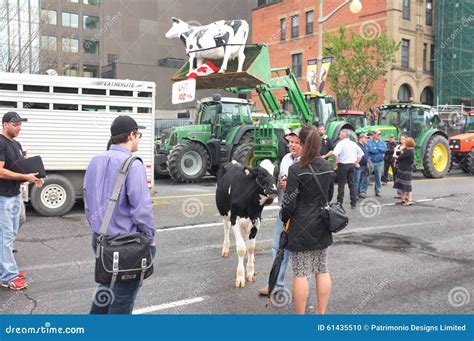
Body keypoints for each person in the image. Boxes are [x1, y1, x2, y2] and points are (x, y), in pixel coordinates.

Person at [84, 115, 156, 314]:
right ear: (131, 135)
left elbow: (87, 199)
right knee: (123, 301)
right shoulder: (133, 164)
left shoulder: (95, 160)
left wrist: (97, 227)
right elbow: (142, 209)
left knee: (105, 289)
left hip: (100, 238)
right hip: (126, 245)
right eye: (138, 135)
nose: (138, 139)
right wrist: (150, 238)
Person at [281, 124, 335, 314]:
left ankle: (301, 317)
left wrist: (283, 217)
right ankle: (321, 314)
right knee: (322, 269)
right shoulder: (328, 167)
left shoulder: (296, 169)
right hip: (322, 224)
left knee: (301, 272)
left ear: (303, 143)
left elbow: (289, 203)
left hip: (301, 226)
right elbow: (329, 198)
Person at [0, 112, 44, 290]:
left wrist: (35, 176)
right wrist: (23, 175)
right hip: (3, 196)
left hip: (14, 193)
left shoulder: (16, 144)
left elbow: (20, 166)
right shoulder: (0, 142)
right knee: (6, 235)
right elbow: (1, 171)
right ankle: (8, 276)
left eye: (20, 124)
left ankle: (4, 265)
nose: (19, 127)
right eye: (15, 124)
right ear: (5, 124)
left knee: (20, 221)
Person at [259, 128, 302, 296]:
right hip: (284, 212)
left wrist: (291, 184)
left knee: (300, 253)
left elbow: (312, 190)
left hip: (300, 215)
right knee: (278, 248)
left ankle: (302, 289)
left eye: (296, 142)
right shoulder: (285, 159)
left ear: (304, 144)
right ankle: (277, 285)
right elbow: (280, 181)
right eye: (290, 142)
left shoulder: (308, 162)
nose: (291, 145)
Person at [332, 129, 364, 209]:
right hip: (351, 165)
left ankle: (340, 203)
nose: (339, 136)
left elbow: (335, 153)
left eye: (340, 134)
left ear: (343, 136)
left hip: (343, 165)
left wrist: (336, 162)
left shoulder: (341, 144)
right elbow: (361, 154)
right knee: (352, 184)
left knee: (341, 185)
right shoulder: (353, 143)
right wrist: (356, 162)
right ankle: (353, 203)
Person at [393, 137, 415, 206]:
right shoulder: (409, 151)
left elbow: (400, 158)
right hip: (404, 170)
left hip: (405, 171)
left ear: (408, 143)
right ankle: (402, 199)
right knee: (403, 186)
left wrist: (397, 156)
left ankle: (409, 200)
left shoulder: (409, 151)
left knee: (407, 186)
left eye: (406, 142)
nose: (404, 142)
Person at [367, 130, 387, 197]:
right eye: (377, 134)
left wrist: (376, 148)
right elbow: (370, 150)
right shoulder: (369, 142)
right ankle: (363, 191)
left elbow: (384, 149)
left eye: (379, 134)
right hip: (371, 162)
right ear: (374, 135)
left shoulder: (382, 142)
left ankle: (378, 191)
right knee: (366, 177)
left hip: (379, 162)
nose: (379, 135)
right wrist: (379, 149)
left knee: (378, 178)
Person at [354, 134, 369, 199]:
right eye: (365, 138)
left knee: (363, 180)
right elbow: (353, 155)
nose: (367, 139)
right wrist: (356, 163)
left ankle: (361, 193)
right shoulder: (356, 145)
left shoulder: (365, 145)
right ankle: (355, 195)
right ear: (361, 138)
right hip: (358, 166)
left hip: (365, 166)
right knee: (356, 181)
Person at [392, 135, 406, 199]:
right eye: (401, 139)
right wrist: (395, 157)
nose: (402, 140)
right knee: (397, 178)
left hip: (404, 164)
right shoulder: (398, 146)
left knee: (403, 179)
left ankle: (404, 193)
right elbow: (394, 154)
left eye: (403, 138)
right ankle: (399, 193)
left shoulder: (407, 147)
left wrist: (398, 156)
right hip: (397, 163)